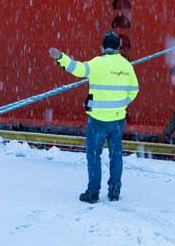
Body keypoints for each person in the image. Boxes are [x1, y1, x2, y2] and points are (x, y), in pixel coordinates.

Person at [49, 32, 139, 203]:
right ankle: (114, 192)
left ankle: (92, 193)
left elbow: (77, 69)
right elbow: (134, 90)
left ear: (103, 47)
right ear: (118, 47)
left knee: (93, 155)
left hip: (97, 120)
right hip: (118, 120)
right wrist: (121, 104)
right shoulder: (127, 66)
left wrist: (60, 57)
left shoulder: (97, 63)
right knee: (116, 155)